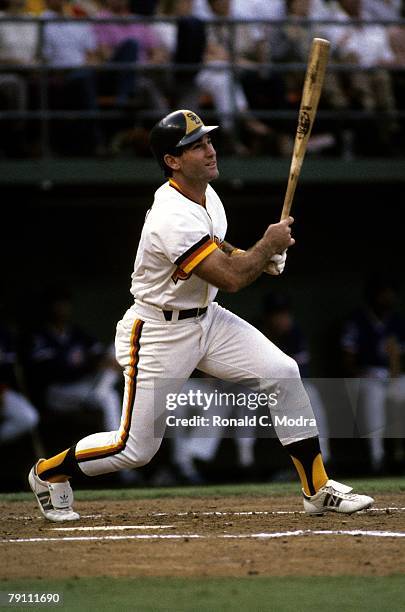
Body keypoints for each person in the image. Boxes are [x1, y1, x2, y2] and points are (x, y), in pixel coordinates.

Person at [28, 108, 373, 522]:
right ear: (172, 162)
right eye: (195, 147)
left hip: (206, 319)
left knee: (282, 371)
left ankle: (317, 488)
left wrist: (255, 257)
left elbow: (220, 251)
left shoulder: (208, 194)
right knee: (134, 449)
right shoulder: (171, 216)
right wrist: (264, 247)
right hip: (158, 330)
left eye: (208, 141)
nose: (209, 151)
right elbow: (229, 279)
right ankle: (48, 474)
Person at [340, 277, 405, 473]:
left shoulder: (396, 321)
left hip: (393, 376)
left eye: (390, 293)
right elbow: (347, 360)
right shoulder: (357, 320)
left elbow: (398, 360)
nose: (388, 297)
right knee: (373, 398)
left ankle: (399, 455)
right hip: (366, 376)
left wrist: (394, 368)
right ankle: (377, 460)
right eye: (383, 293)